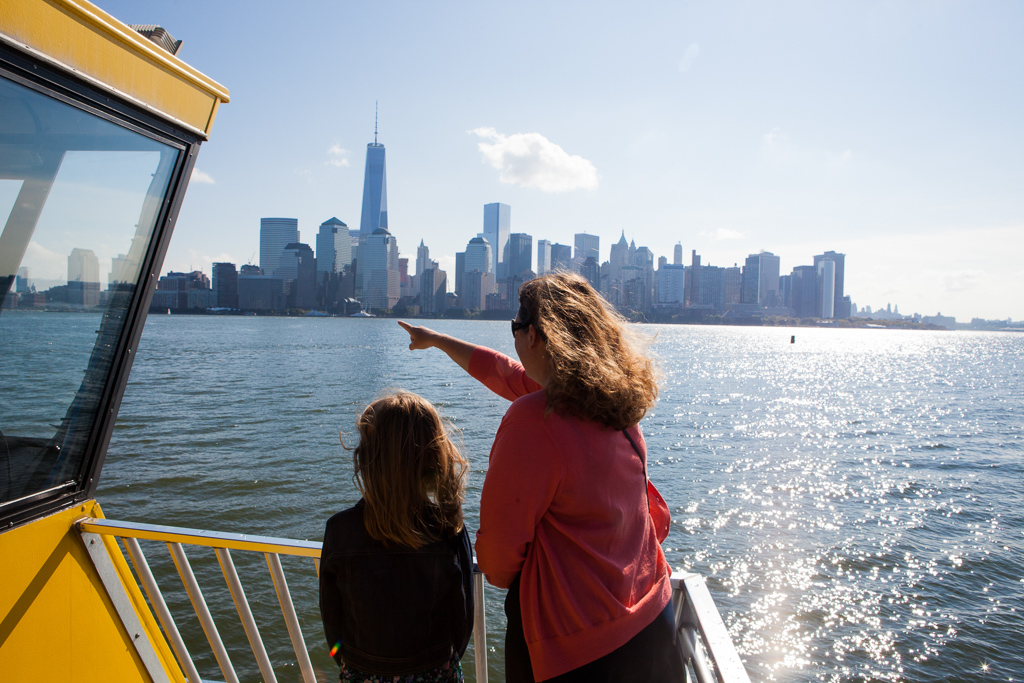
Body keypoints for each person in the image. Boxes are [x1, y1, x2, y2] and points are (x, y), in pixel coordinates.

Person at [398, 271, 683, 683]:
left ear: (534, 335)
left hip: (582, 649)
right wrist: (438, 340)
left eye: (515, 326)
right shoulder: (613, 401)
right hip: (654, 618)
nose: (513, 337)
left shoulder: (534, 420)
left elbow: (497, 562)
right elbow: (503, 372)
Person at [319, 391, 474, 683]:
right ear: (434, 459)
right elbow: (463, 622)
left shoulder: (339, 530)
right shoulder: (449, 529)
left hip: (361, 674)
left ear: (367, 459)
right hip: (435, 673)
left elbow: (332, 622)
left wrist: (355, 666)